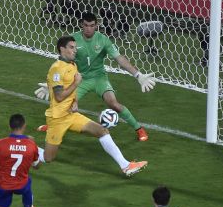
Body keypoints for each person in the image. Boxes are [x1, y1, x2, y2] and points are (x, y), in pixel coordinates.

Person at [35, 12, 156, 141]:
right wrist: (52, 84)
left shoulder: (103, 40)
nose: (88, 28)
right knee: (64, 104)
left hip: (99, 78)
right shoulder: (73, 39)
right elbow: (63, 61)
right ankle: (52, 126)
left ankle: (139, 129)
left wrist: (138, 75)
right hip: (80, 79)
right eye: (86, 25)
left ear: (96, 25)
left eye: (92, 25)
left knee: (113, 104)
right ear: (82, 24)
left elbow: (119, 58)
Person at [36, 36, 147, 176]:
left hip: (71, 115)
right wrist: (76, 83)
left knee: (102, 131)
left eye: (75, 47)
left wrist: (74, 101)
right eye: (71, 47)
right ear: (62, 49)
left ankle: (126, 166)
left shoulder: (72, 65)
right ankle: (27, 147)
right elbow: (59, 97)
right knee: (48, 158)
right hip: (57, 119)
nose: (75, 50)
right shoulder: (57, 69)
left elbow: (71, 89)